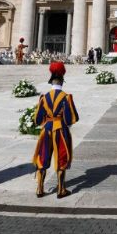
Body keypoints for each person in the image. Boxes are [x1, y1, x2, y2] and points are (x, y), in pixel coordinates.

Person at [32, 62, 80, 198]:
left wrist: (47, 121)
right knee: (61, 158)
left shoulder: (43, 97)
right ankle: (61, 190)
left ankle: (39, 189)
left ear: (51, 81)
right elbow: (72, 118)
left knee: (43, 156)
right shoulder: (66, 97)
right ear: (62, 81)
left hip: (46, 130)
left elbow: (37, 119)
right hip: (60, 130)